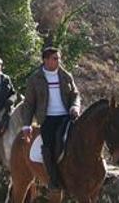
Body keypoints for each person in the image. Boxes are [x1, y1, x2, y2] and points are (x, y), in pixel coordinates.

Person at [20, 47, 81, 190]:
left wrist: (75, 106)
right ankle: (53, 180)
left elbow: (75, 94)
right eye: (55, 58)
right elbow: (29, 104)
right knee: (48, 147)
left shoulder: (66, 76)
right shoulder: (35, 79)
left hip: (67, 116)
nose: (58, 61)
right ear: (45, 60)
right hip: (47, 119)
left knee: (85, 138)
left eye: (58, 58)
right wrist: (26, 125)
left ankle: (97, 172)